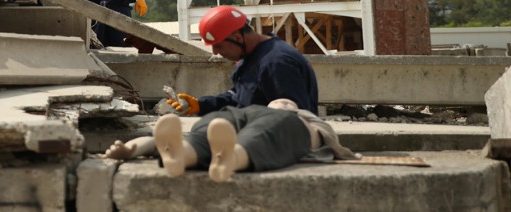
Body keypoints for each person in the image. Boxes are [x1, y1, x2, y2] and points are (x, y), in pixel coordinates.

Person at [104, 99, 359, 182]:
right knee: (210, 124)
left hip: (285, 125)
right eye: (279, 101)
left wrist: (294, 116)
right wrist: (132, 149)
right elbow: (159, 137)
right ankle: (182, 154)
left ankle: (231, 158)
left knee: (265, 132)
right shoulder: (252, 107)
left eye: (287, 102)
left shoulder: (305, 119)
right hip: (241, 115)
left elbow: (334, 144)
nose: (282, 101)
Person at [168, 5, 319, 115]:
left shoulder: (276, 63)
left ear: (237, 38)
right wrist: (201, 105)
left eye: (218, 46)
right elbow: (238, 97)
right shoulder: (252, 57)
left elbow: (294, 116)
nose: (215, 52)